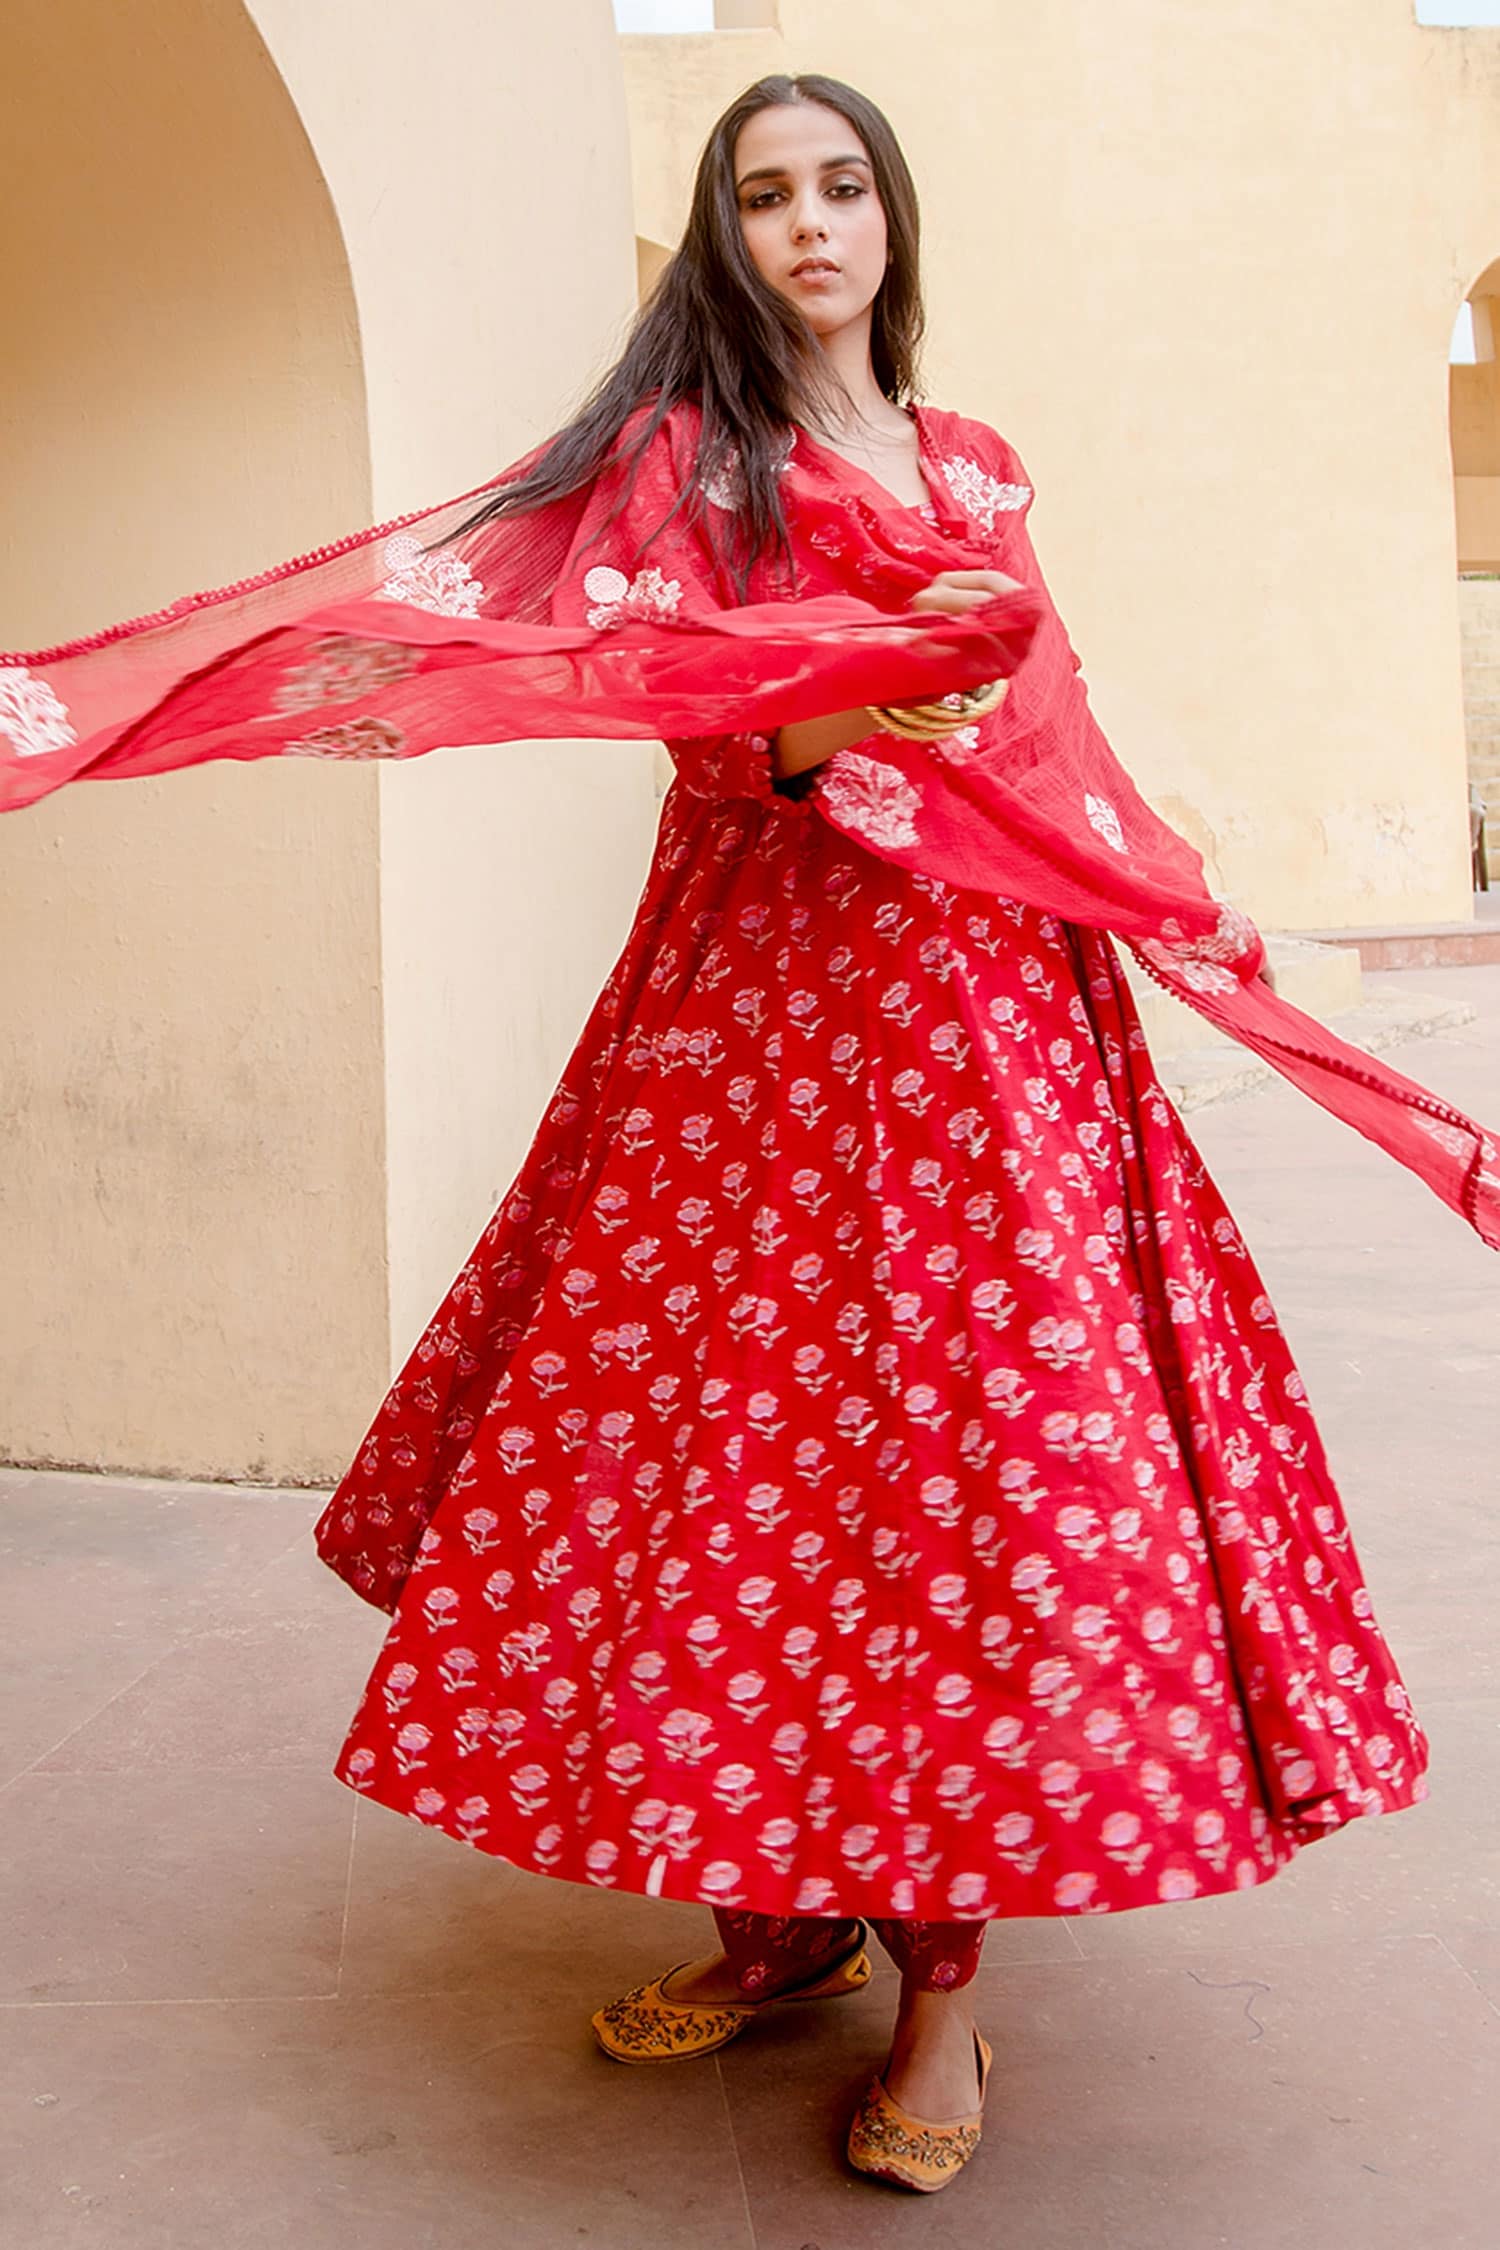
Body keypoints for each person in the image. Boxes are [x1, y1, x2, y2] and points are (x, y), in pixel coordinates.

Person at [300, 75, 1436, 2196]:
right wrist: (840, 716)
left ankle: (946, 2002)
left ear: (891, 217)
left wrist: (1174, 883)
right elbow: (673, 706)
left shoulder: (976, 462)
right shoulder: (689, 462)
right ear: (725, 236)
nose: (809, 223)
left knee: (970, 1469)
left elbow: (1052, 716)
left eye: (840, 187)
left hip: (989, 1021)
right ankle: (781, 1915)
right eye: (763, 194)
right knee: (741, 1458)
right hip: (760, 1022)